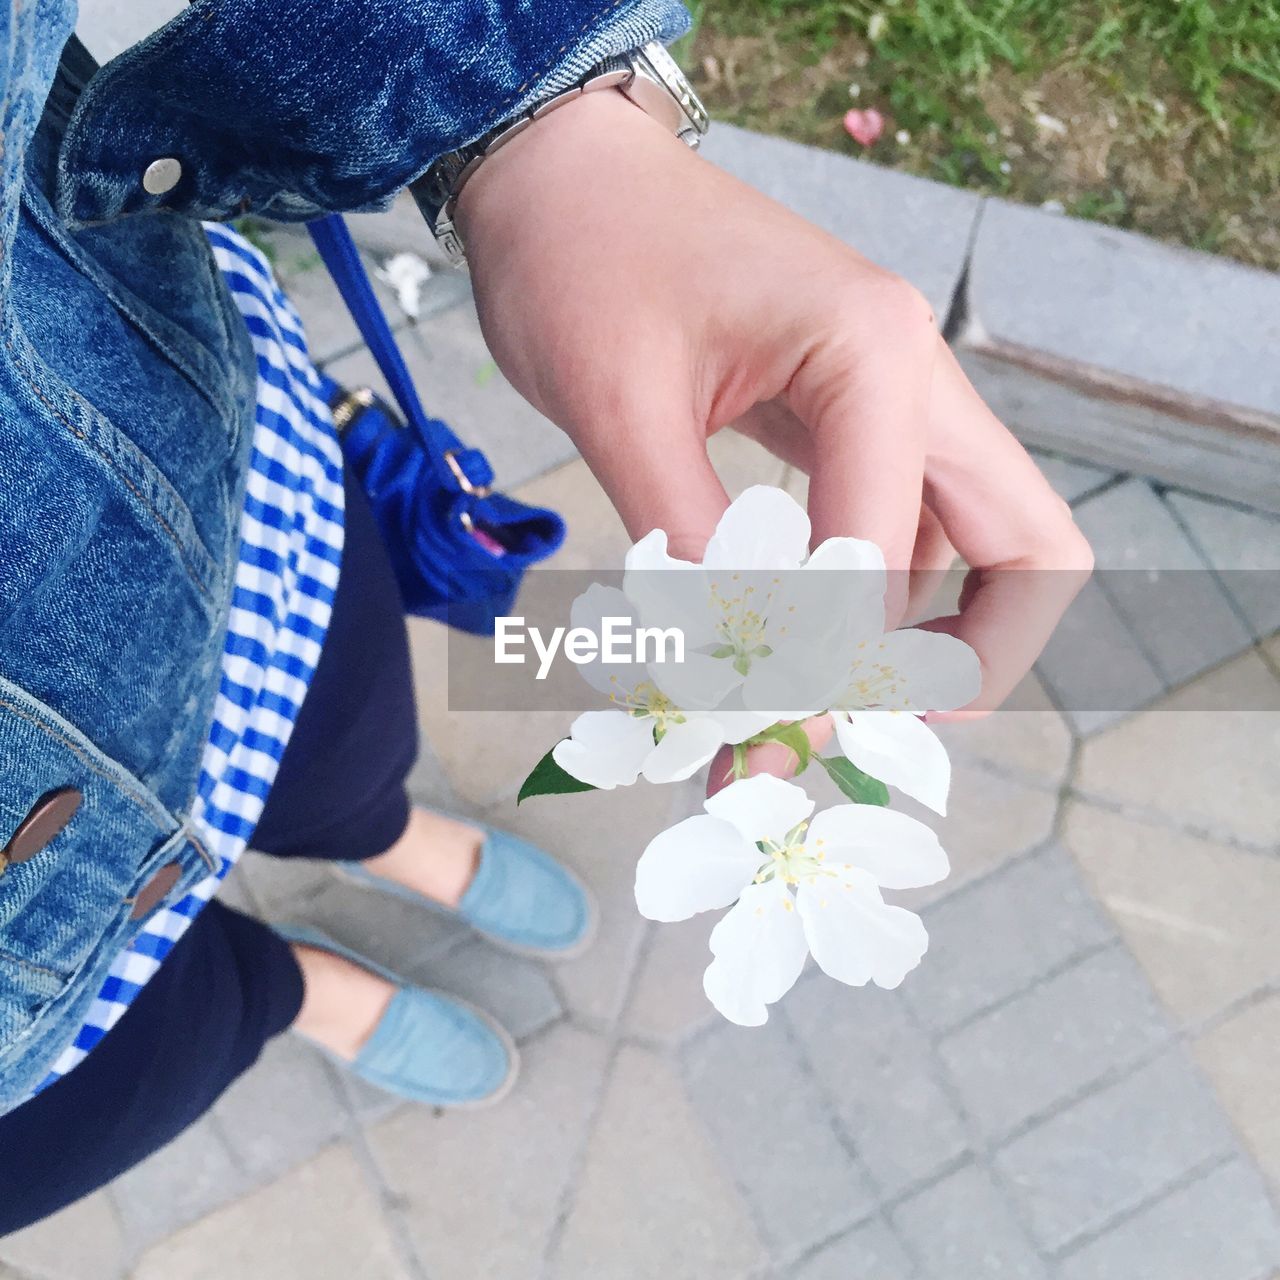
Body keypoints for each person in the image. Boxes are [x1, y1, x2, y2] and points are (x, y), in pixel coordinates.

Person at [0, 0, 1090, 1234]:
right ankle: (291, 992)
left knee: (347, 747)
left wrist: (533, 134)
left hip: (180, 499)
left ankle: (376, 836)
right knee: (153, 1053)